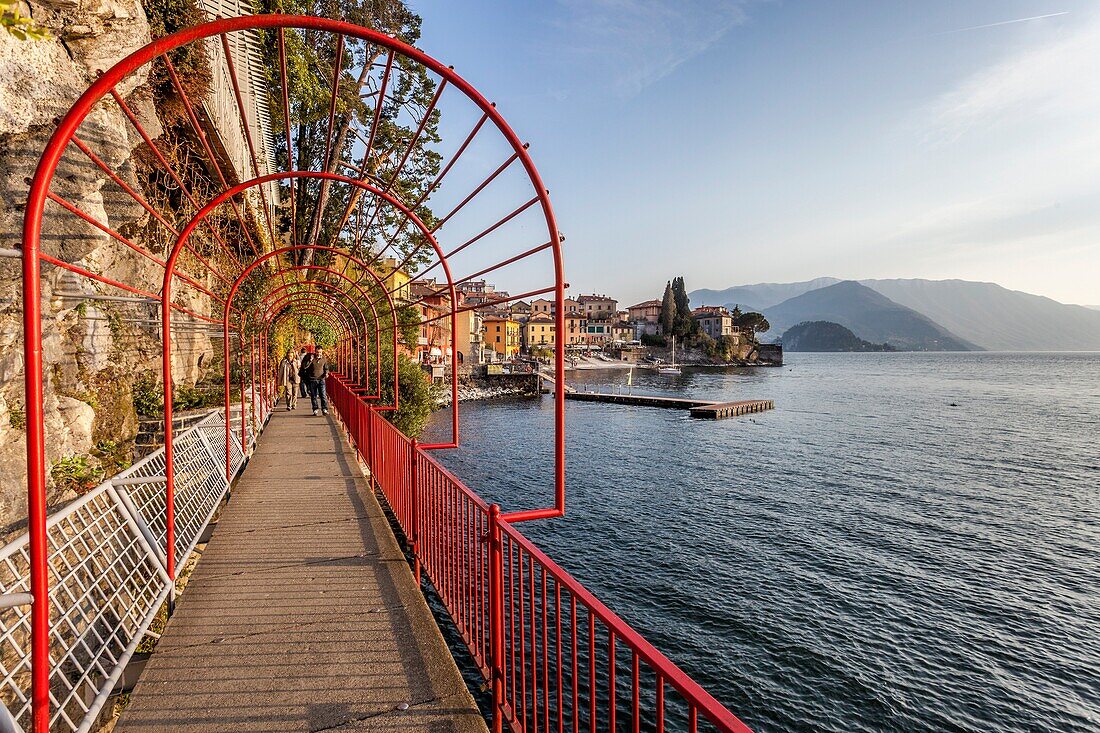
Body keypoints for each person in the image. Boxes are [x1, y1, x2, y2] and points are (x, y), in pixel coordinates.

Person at [305, 345, 329, 415]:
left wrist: (326, 373)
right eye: (317, 352)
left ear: (322, 352)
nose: (319, 354)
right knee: (313, 395)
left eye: (320, 352)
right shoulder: (312, 358)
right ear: (315, 352)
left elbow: (326, 368)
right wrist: (310, 360)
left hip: (321, 379)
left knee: (323, 395)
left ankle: (324, 408)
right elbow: (305, 367)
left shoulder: (324, 359)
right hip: (312, 379)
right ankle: (315, 409)